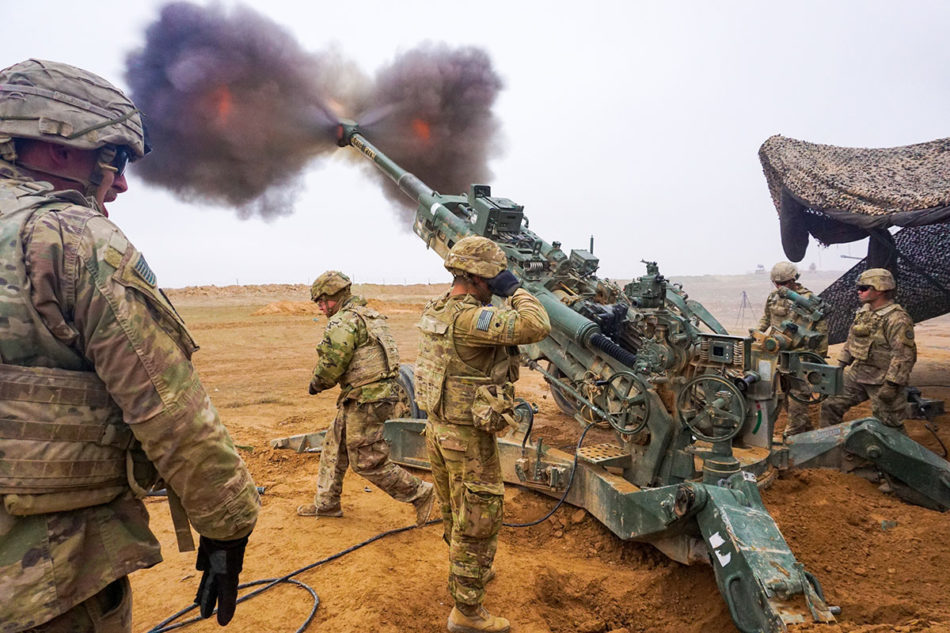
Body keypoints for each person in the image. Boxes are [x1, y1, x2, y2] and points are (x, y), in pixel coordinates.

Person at [0, 59, 260, 632]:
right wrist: (227, 526)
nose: (119, 182)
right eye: (113, 158)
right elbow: (167, 405)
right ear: (59, 145)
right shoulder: (71, 239)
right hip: (47, 575)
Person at [415, 236, 551, 633]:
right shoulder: (471, 318)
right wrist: (516, 290)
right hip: (466, 441)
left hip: (439, 431)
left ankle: (466, 579)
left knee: (455, 511)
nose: (498, 282)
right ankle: (467, 612)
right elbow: (536, 325)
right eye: (494, 276)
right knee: (479, 518)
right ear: (475, 277)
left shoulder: (437, 310)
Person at [299, 270, 434, 524]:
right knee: (334, 445)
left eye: (321, 302)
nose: (320, 308)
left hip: (367, 399)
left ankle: (420, 492)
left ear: (333, 296)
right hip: (370, 395)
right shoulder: (370, 316)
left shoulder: (343, 321)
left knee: (367, 462)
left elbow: (332, 362)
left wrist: (316, 384)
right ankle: (326, 503)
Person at [820, 268, 916, 431]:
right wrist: (840, 365)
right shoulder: (864, 312)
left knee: (889, 425)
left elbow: (904, 356)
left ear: (880, 290)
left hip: (883, 379)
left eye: (864, 288)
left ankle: (895, 455)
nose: (859, 291)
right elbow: (852, 340)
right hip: (858, 373)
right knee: (830, 405)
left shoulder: (897, 319)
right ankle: (832, 447)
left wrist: (892, 385)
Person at [757, 261, 829, 436]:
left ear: (794, 279)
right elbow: (766, 318)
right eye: (776, 283)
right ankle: (806, 430)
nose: (779, 287)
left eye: (783, 283)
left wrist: (818, 359)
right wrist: (757, 334)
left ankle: (793, 436)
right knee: (783, 395)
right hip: (777, 354)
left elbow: (821, 331)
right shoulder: (773, 297)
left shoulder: (808, 299)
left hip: (800, 356)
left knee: (798, 396)